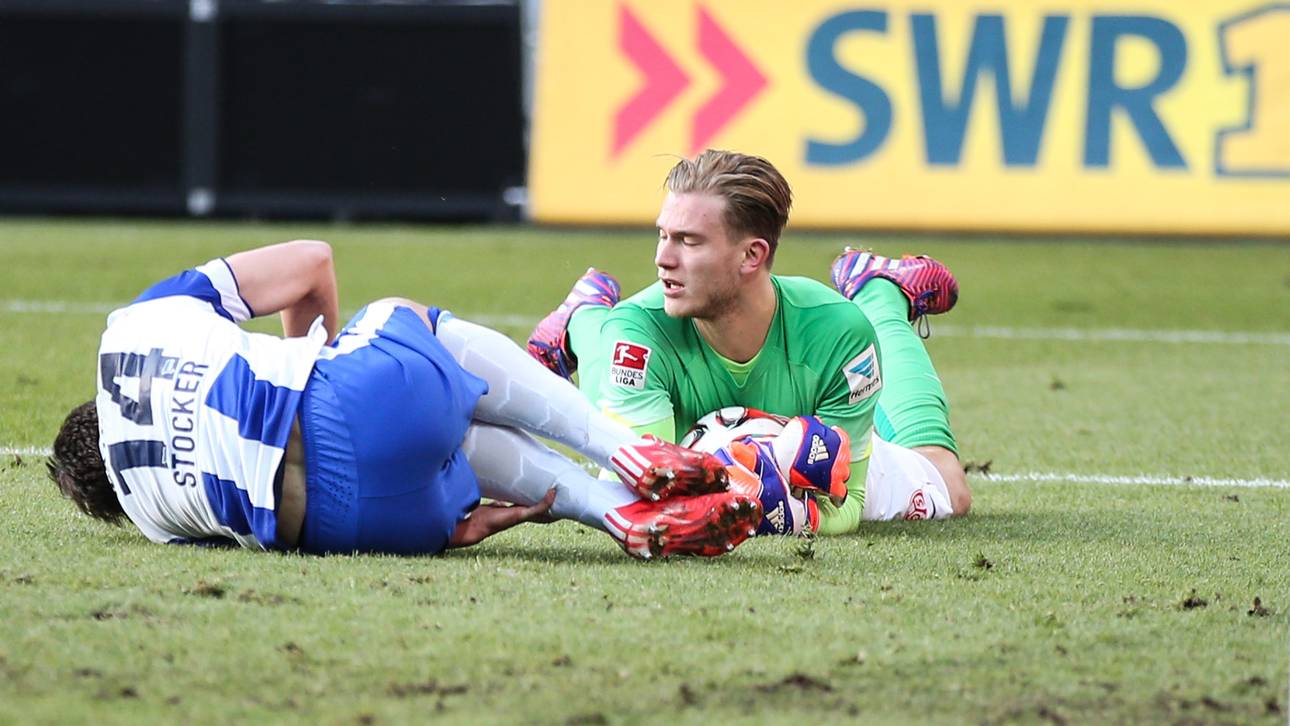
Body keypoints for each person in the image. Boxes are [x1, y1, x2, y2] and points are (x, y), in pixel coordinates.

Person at [47, 240, 763, 560]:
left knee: (435, 433)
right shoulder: (130, 331)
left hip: (363, 525)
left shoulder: (151, 521)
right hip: (356, 403)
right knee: (399, 312)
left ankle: (609, 510)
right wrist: (321, 358)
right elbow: (311, 261)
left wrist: (444, 528)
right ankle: (619, 447)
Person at [527, 150, 971, 534]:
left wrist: (782, 514)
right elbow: (642, 491)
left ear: (751, 255)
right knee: (617, 391)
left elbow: (848, 501)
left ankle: (879, 290)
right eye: (663, 235)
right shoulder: (639, 330)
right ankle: (585, 314)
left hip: (804, 453)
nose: (662, 258)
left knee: (949, 483)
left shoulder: (836, 333)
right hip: (675, 434)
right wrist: (759, 506)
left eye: (688, 241)